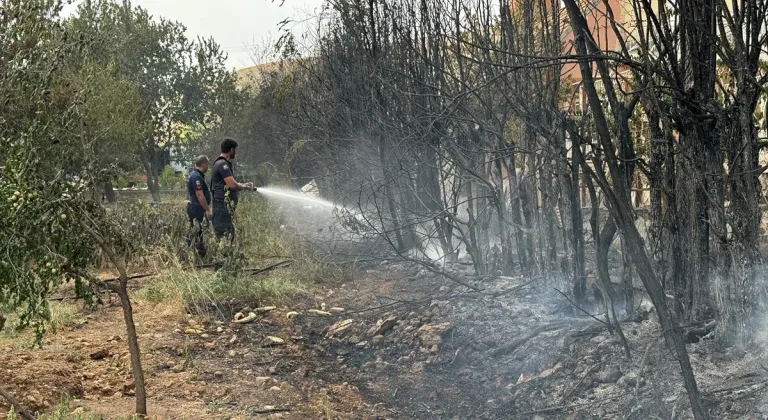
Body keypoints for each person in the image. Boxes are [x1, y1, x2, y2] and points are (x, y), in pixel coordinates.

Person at [210, 138, 253, 240]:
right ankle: (223, 255)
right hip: (222, 207)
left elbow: (230, 183)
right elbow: (232, 184)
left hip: (223, 207)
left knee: (229, 236)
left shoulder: (220, 163)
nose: (235, 152)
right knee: (224, 237)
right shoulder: (222, 164)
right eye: (235, 150)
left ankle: (227, 254)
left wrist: (243, 184)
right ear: (232, 150)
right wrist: (245, 186)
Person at [186, 155, 212, 260]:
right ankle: (197, 256)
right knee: (196, 231)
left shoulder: (196, 175)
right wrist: (207, 209)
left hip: (196, 208)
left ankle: (200, 255)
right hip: (196, 208)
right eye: (207, 165)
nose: (208, 167)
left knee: (197, 231)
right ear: (204, 164)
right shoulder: (196, 176)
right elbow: (200, 195)